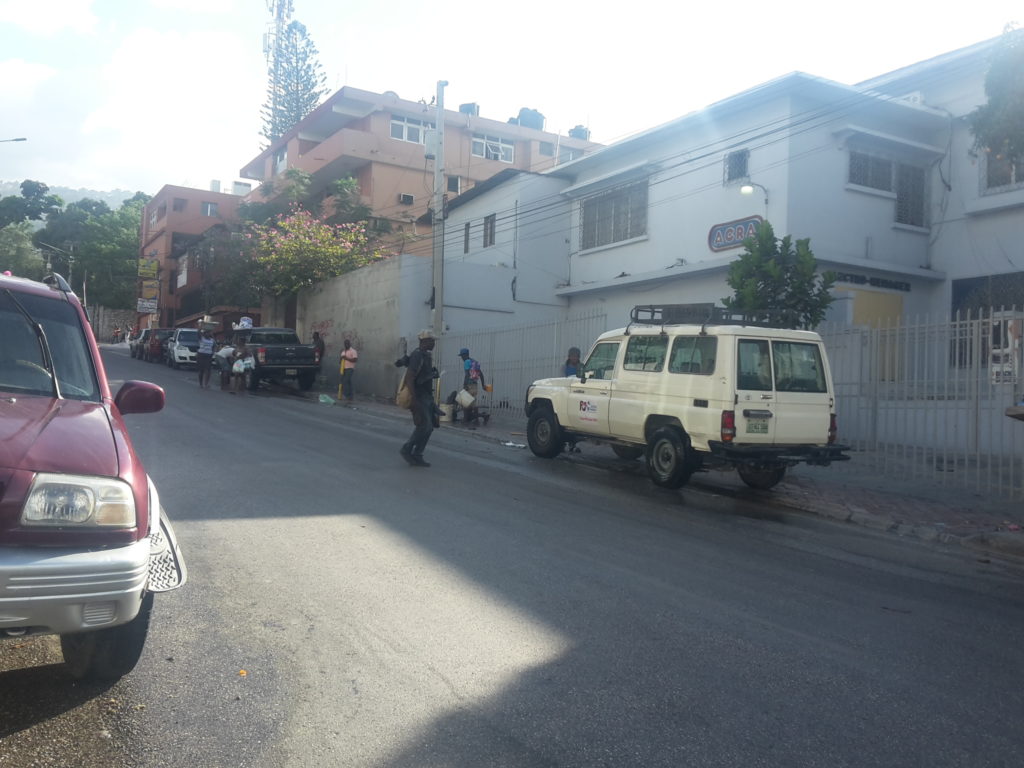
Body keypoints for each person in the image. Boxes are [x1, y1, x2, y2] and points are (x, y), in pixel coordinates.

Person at [400, 330, 438, 467]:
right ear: (424, 342)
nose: (433, 343)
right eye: (431, 341)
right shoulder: (417, 355)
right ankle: (407, 449)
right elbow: (410, 377)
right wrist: (414, 400)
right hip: (419, 396)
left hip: (426, 396)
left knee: (428, 427)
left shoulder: (426, 356)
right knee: (425, 426)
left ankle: (417, 454)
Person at [457, 348, 489, 425]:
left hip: (469, 385)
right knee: (473, 403)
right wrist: (483, 385)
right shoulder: (474, 362)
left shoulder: (466, 362)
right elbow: (480, 374)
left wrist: (465, 385)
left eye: (462, 356)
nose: (461, 358)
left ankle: (465, 419)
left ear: (465, 355)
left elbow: (467, 374)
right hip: (475, 385)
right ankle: (477, 419)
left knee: (464, 402)